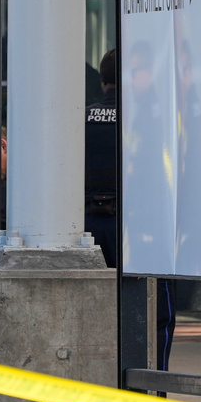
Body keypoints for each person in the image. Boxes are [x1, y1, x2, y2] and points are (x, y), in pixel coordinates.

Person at [84, 48, 176, 371]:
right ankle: (152, 389)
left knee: (97, 312)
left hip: (91, 227)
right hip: (138, 228)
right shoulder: (146, 120)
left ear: (102, 80)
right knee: (157, 313)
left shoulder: (84, 116)